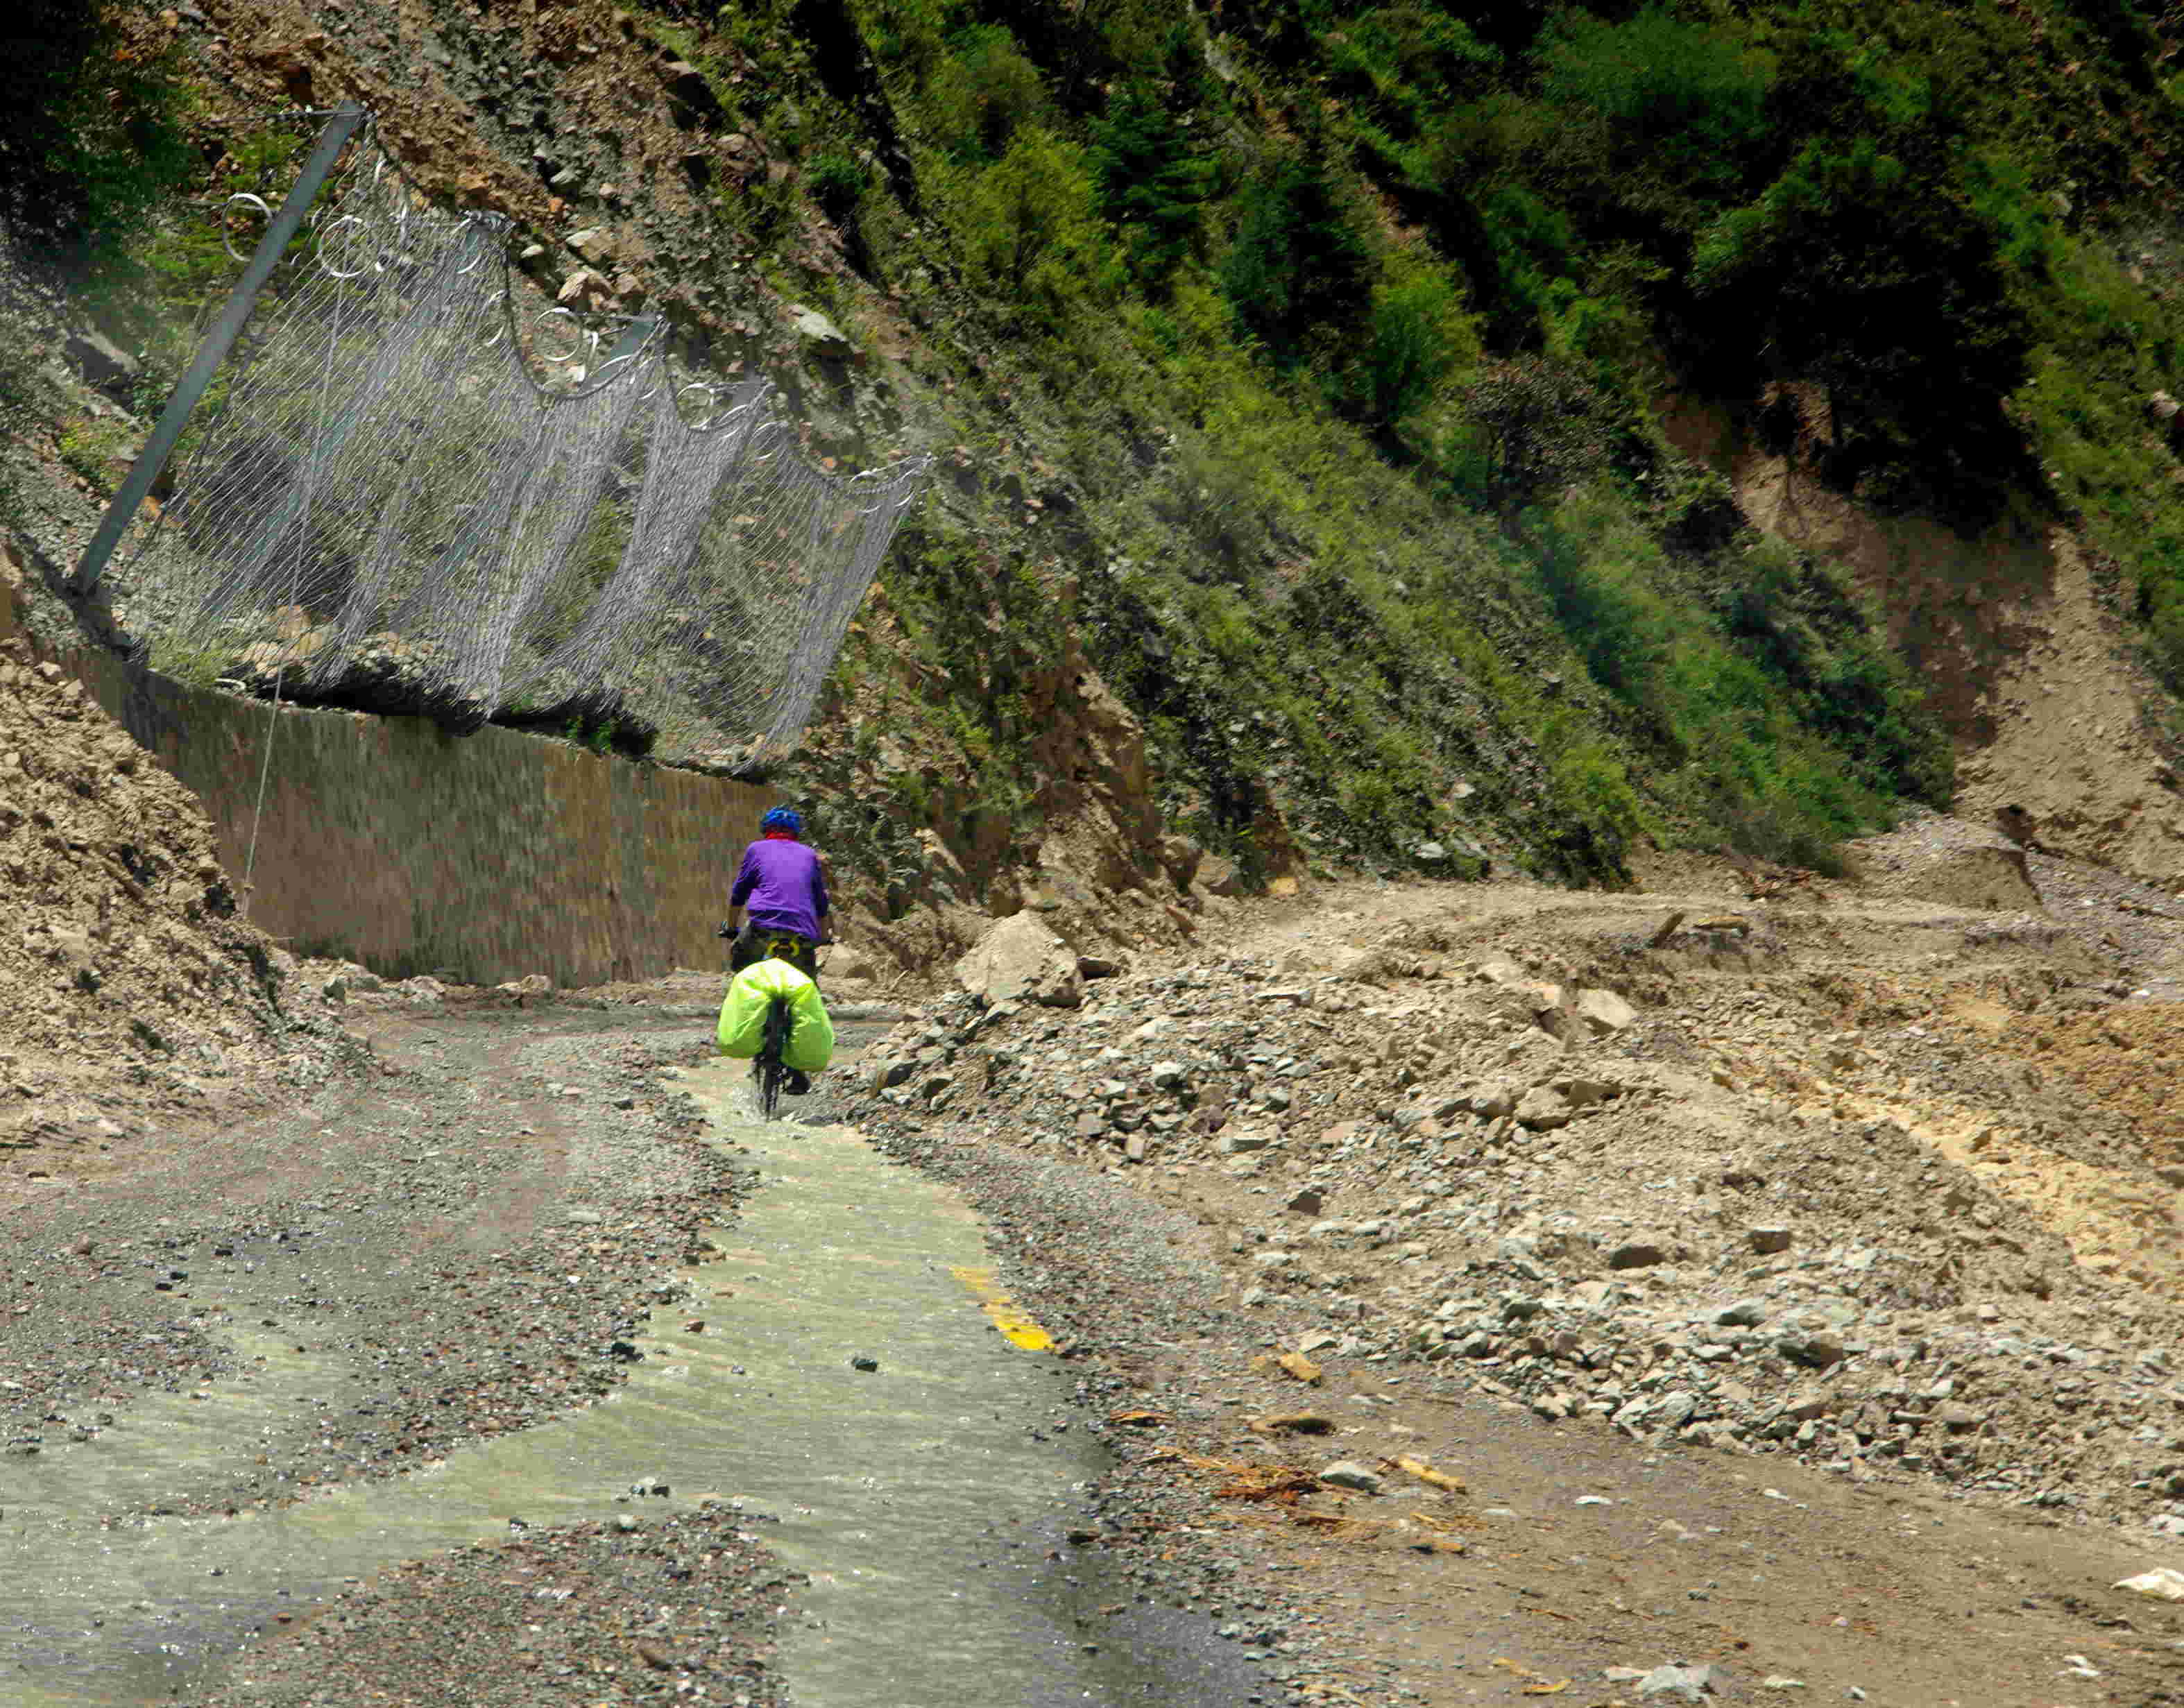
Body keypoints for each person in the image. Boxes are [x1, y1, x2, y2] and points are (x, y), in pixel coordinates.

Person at [726, 805, 830, 1093]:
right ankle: (797, 1071)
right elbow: (821, 902)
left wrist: (731, 927)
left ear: (765, 831)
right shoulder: (809, 855)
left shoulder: (756, 849)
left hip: (762, 929)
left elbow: (740, 891)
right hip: (801, 934)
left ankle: (751, 1023)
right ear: (796, 834)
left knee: (742, 969)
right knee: (804, 991)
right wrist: (824, 935)